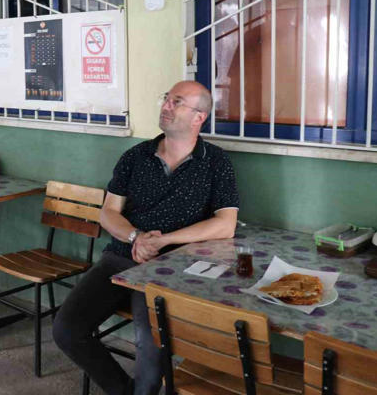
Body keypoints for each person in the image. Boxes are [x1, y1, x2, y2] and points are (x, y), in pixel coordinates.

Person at [52, 81, 239, 395]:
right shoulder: (135, 156)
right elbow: (108, 212)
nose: (166, 106)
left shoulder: (216, 162)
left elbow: (226, 224)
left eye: (176, 102)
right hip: (122, 257)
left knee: (150, 349)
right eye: (166, 99)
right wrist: (136, 237)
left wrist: (164, 241)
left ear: (199, 117)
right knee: (66, 330)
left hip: (171, 268)